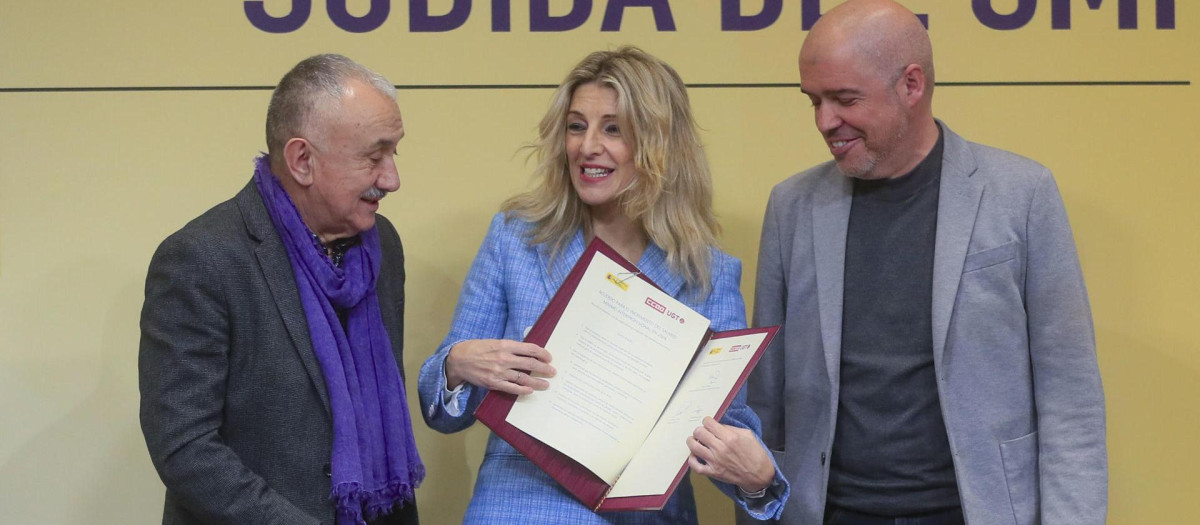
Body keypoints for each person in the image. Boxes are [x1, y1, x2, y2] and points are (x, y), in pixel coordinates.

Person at [744, 1, 1108, 524]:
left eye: (845, 99)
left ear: (911, 85)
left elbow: (1071, 399)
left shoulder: (1022, 195)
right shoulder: (791, 206)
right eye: (814, 101)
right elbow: (768, 403)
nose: (826, 122)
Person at [417, 46, 789, 523]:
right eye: (577, 126)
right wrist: (456, 365)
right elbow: (442, 413)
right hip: (520, 509)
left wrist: (759, 479)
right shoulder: (515, 239)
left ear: (659, 144)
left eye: (612, 129)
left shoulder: (708, 273)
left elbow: (722, 432)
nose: (587, 146)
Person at [139, 54, 422, 525]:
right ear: (302, 160)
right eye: (374, 157)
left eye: (394, 153)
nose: (392, 179)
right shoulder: (201, 258)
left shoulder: (383, 246)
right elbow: (185, 448)